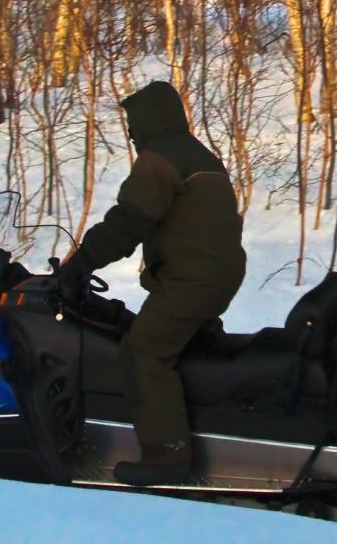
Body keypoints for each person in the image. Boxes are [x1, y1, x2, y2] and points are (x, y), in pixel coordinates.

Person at [56, 80, 246, 486]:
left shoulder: (160, 158)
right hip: (214, 277)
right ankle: (210, 433)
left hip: (190, 282)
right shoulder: (199, 155)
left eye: (133, 122)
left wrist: (82, 262)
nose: (130, 131)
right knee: (192, 353)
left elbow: (129, 220)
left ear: (150, 120)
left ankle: (166, 457)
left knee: (144, 352)